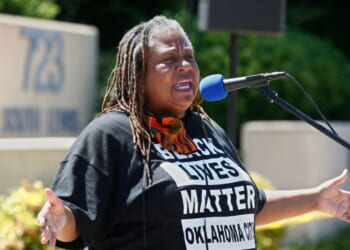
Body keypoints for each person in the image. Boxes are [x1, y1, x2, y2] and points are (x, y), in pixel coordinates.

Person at [37, 15, 350, 250]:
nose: (185, 65)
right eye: (169, 60)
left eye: (189, 56)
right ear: (138, 75)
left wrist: (316, 199)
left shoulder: (206, 128)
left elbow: (245, 208)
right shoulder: (112, 134)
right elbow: (75, 220)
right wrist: (62, 220)